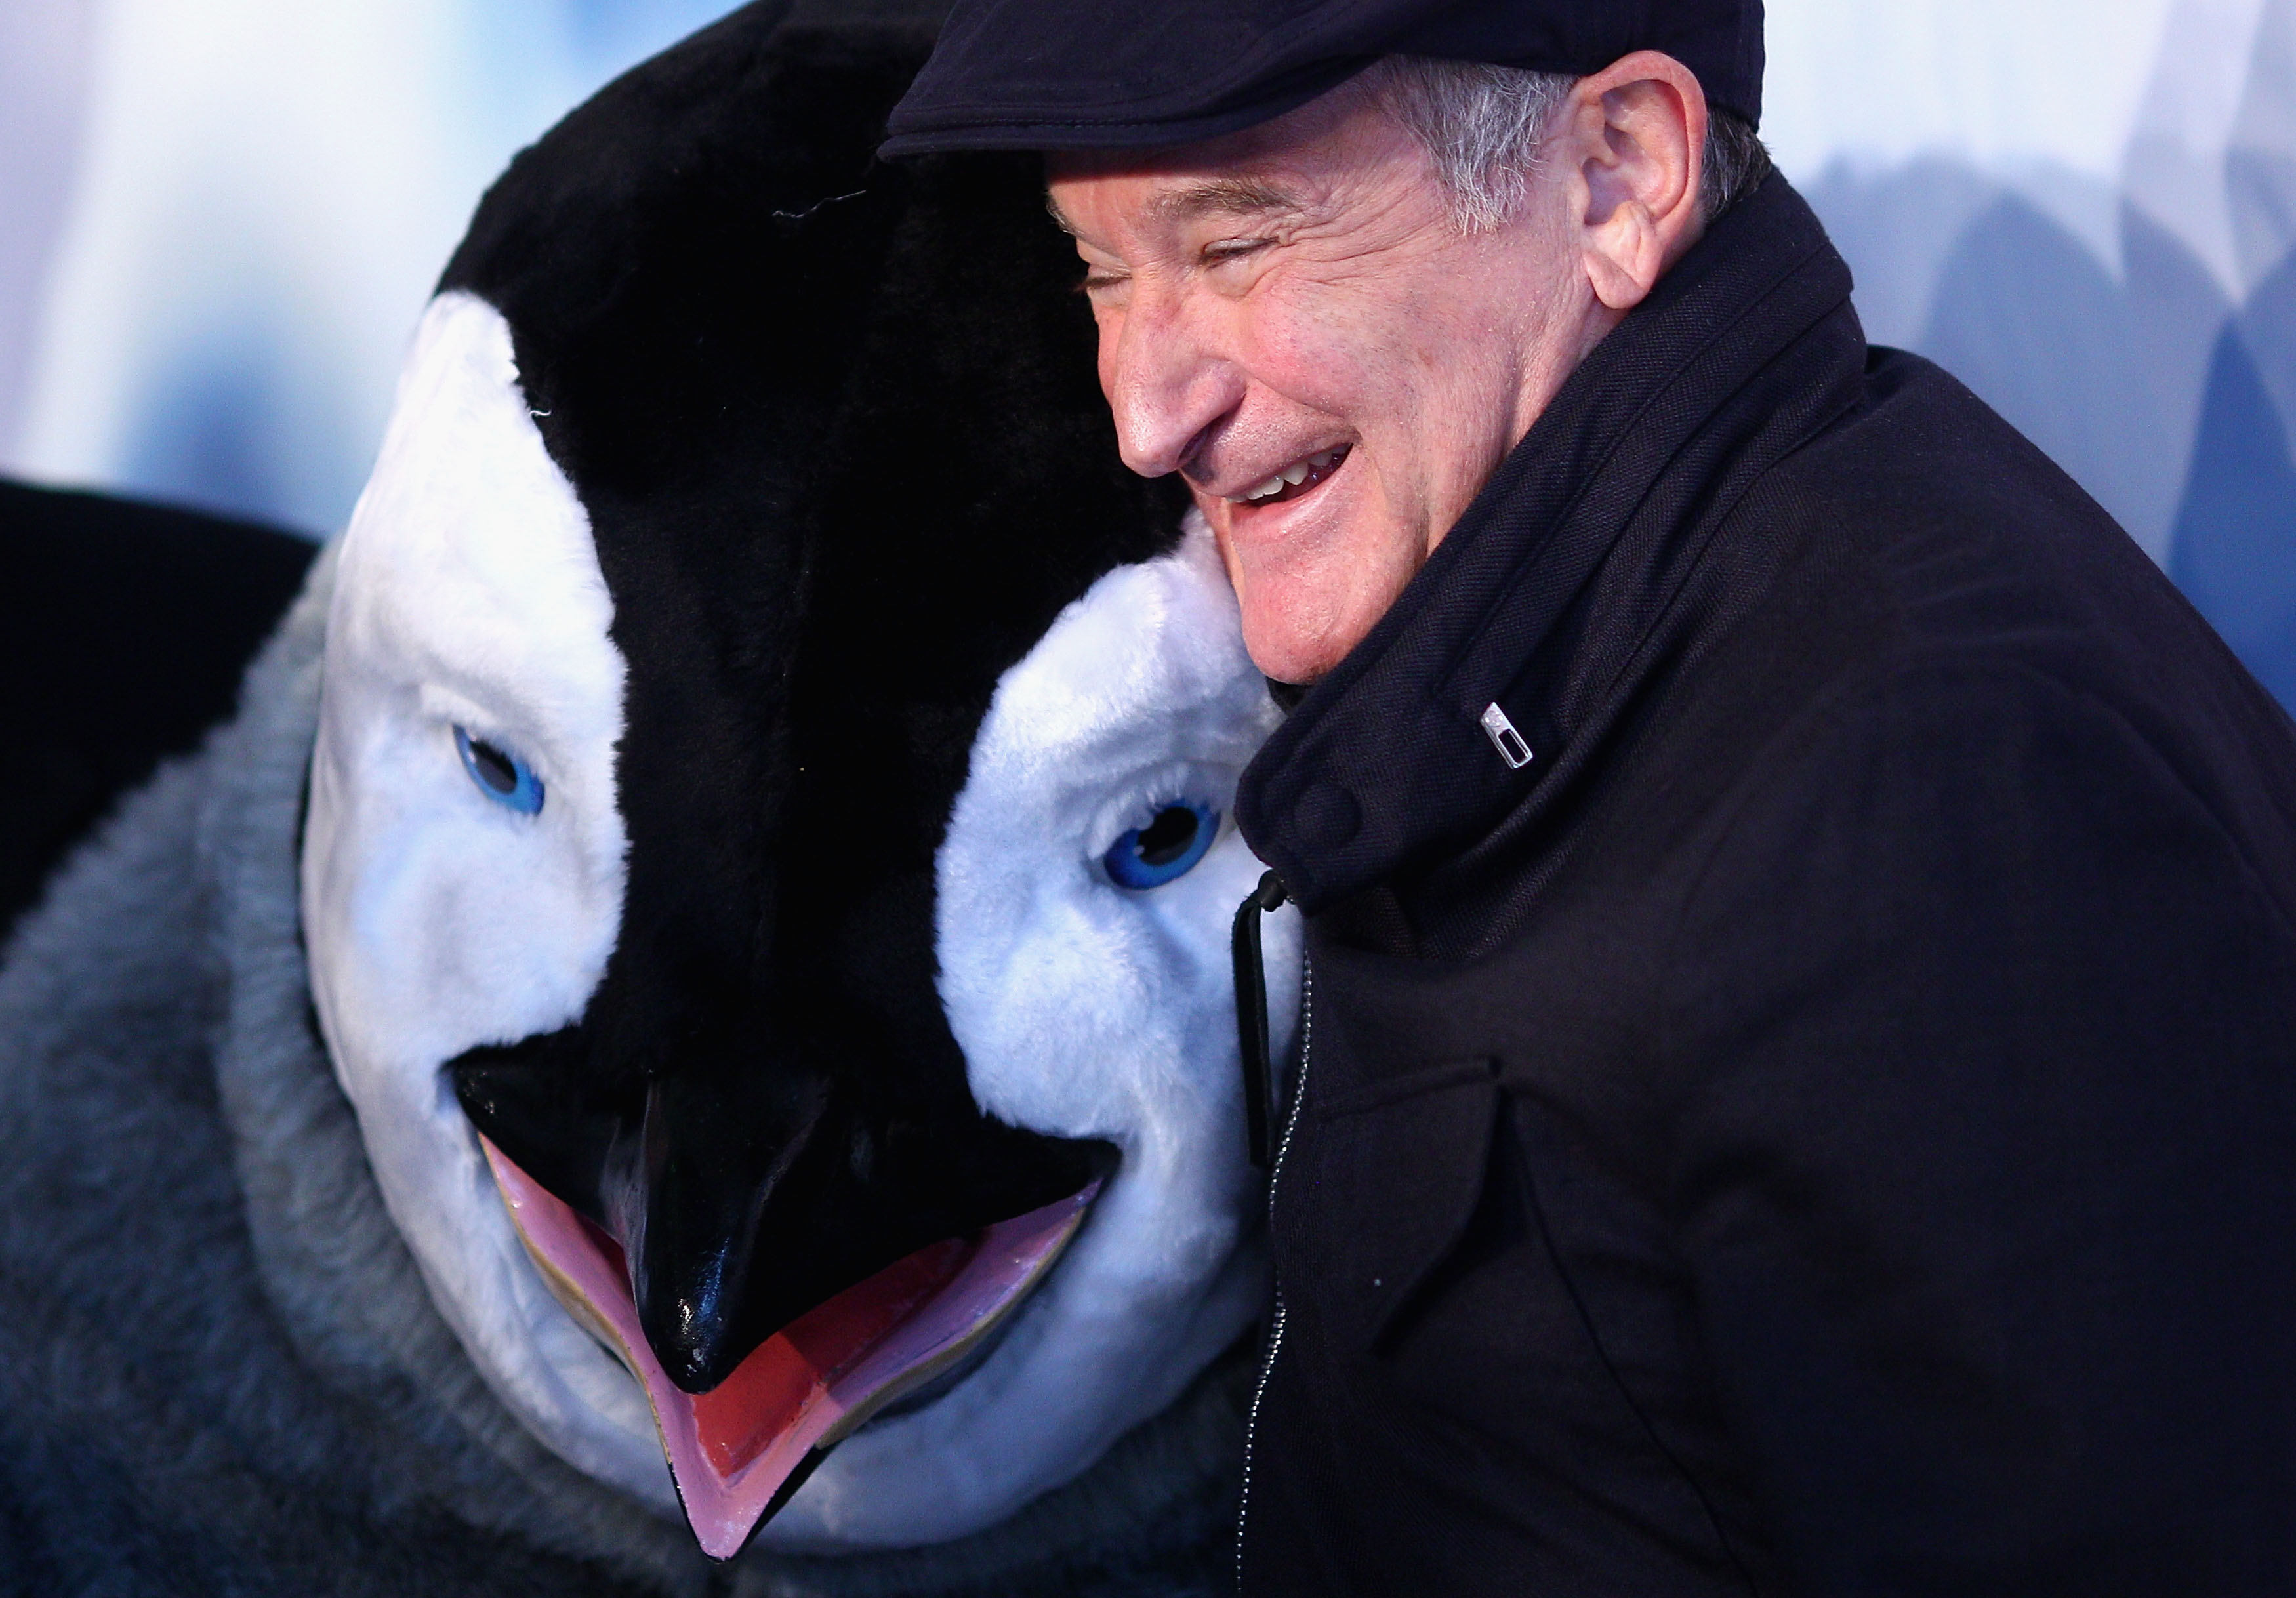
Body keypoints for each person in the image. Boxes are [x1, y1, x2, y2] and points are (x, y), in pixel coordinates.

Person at [882, 2, 2296, 1593]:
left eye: (1235, 248)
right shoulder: (1559, 652)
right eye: (1099, 271)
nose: (1144, 415)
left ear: (1617, 179)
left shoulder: (1934, 791)